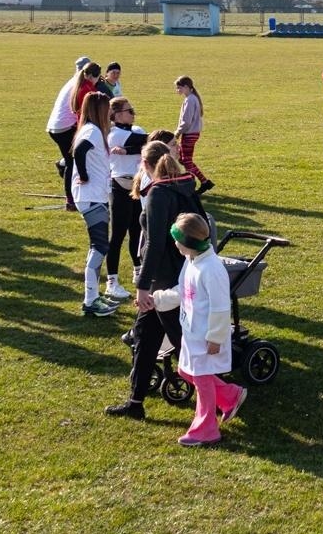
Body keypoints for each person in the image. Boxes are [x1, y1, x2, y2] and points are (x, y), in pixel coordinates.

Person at [106, 142, 195, 419]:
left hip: (163, 279)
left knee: (183, 344)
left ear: (145, 165)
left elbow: (155, 244)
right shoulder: (184, 187)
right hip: (178, 272)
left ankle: (222, 394)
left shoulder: (158, 194)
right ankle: (135, 403)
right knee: (145, 337)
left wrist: (143, 285)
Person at [169, 213, 245, 447]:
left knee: (202, 381)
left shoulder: (211, 269)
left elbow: (221, 308)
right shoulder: (191, 261)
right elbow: (183, 290)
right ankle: (230, 395)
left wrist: (215, 338)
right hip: (191, 332)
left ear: (189, 243)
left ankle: (206, 429)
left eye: (177, 240)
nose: (175, 244)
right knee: (185, 371)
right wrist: (159, 299)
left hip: (205, 337)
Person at [71, 91, 119, 317]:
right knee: (99, 247)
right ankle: (90, 300)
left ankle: (94, 296)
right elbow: (79, 152)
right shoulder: (91, 131)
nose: (110, 111)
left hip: (95, 195)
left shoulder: (95, 131)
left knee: (100, 246)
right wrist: (84, 175)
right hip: (91, 195)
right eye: (107, 107)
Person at [104, 96, 148, 302]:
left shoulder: (136, 130)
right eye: (130, 111)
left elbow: (147, 143)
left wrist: (128, 151)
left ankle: (138, 269)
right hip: (120, 186)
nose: (133, 114)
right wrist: (132, 149)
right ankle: (111, 281)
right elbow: (147, 142)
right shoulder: (113, 134)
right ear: (117, 115)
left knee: (137, 231)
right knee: (118, 234)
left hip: (137, 188)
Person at [46, 62, 97, 211]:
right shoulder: (83, 86)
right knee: (73, 162)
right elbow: (83, 112)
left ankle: (63, 165)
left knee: (72, 158)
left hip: (56, 126)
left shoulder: (75, 81)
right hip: (64, 127)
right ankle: (71, 200)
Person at [174, 76, 214, 194]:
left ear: (186, 87)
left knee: (186, 161)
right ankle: (198, 182)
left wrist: (177, 133)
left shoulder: (190, 100)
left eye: (179, 87)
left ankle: (201, 182)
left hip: (189, 133)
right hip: (192, 133)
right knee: (182, 159)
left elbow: (186, 121)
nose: (177, 90)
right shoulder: (192, 98)